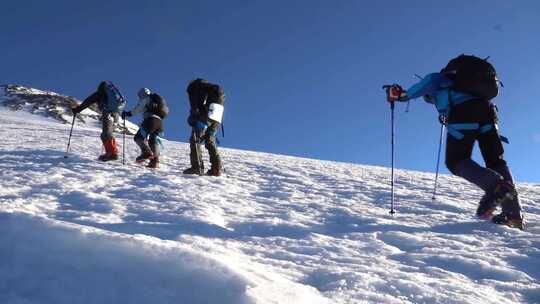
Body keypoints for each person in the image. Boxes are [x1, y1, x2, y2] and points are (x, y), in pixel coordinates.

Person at [385, 54, 524, 230]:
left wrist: (399, 95)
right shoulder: (467, 85)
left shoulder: (440, 78)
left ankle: (497, 186)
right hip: (488, 112)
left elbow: (425, 85)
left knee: (456, 161)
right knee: (496, 160)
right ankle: (513, 215)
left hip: (464, 113)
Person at [72, 81, 126, 161]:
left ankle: (112, 153)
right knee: (107, 133)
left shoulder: (100, 93)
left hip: (107, 112)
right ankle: (111, 152)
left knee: (106, 134)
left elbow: (88, 101)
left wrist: (77, 109)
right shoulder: (115, 93)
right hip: (116, 115)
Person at [182, 78, 225, 176]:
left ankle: (197, 167)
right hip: (217, 116)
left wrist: (193, 117)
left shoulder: (196, 87)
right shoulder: (212, 89)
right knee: (210, 140)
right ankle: (216, 168)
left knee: (195, 138)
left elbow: (196, 105)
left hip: (207, 114)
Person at [122, 88, 168, 169]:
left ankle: (146, 152)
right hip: (160, 122)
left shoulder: (146, 99)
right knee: (153, 141)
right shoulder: (157, 101)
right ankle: (155, 162)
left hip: (150, 120)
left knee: (138, 137)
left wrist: (128, 114)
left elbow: (138, 109)